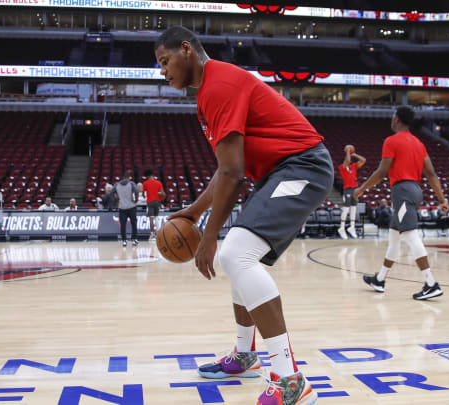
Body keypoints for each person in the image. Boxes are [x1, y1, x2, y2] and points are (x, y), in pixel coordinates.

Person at [155, 26, 333, 405]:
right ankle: (246, 355)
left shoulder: (219, 86)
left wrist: (208, 235)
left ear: (186, 49)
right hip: (277, 173)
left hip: (304, 166)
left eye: (164, 61)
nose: (162, 71)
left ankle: (289, 380)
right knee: (238, 257)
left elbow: (233, 174)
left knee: (235, 252)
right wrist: (194, 212)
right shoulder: (209, 90)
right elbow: (226, 171)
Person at [354, 106, 448, 300]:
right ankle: (380, 279)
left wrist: (361, 189)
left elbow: (381, 172)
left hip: (402, 191)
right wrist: (442, 199)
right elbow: (431, 173)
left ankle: (431, 283)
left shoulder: (391, 141)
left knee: (411, 236)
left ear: (397, 119)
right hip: (415, 190)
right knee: (394, 238)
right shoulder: (418, 143)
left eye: (392, 117)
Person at [338, 146, 366, 239]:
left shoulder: (353, 166)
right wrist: (348, 151)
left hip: (355, 189)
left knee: (354, 208)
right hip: (347, 189)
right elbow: (347, 160)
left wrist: (354, 154)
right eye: (348, 158)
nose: (349, 160)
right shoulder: (342, 167)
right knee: (346, 209)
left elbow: (363, 160)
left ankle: (352, 227)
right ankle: (341, 228)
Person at [114, 170, 139, 247]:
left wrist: (117, 199)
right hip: (131, 206)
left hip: (122, 207)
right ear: (128, 177)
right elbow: (137, 192)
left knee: (123, 225)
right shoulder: (131, 183)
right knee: (134, 224)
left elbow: (113, 194)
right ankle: (134, 239)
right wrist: (136, 200)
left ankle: (124, 240)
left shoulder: (117, 184)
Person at [142, 168, 164, 239]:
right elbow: (162, 193)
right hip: (157, 202)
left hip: (150, 202)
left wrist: (145, 195)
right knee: (156, 218)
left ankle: (152, 235)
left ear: (147, 176)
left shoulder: (145, 183)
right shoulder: (159, 183)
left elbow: (143, 194)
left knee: (151, 219)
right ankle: (159, 234)